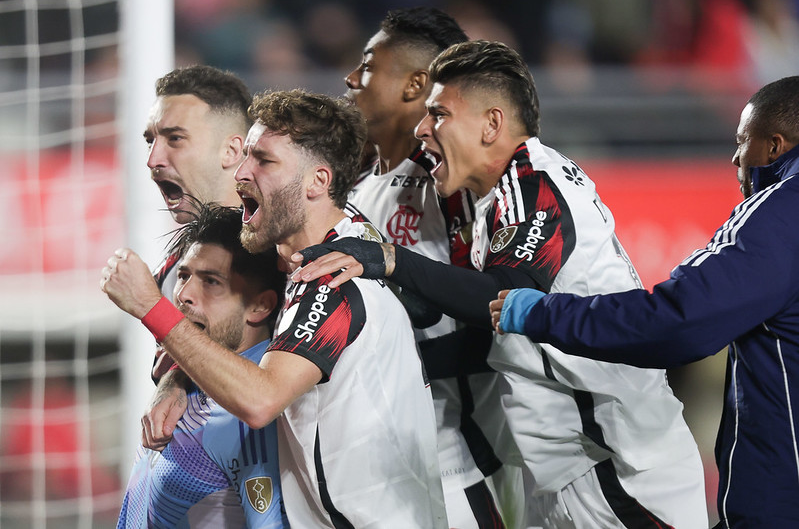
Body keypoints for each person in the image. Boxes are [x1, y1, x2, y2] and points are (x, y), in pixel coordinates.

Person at [294, 40, 708, 528]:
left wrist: (390, 259)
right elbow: (496, 335)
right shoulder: (499, 198)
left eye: (439, 114)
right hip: (567, 470)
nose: (422, 129)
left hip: (619, 467)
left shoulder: (535, 187)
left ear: (492, 124)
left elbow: (503, 296)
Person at [102, 89, 447, 528]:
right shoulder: (325, 256)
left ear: (317, 182)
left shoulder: (332, 277)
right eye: (246, 155)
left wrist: (152, 308)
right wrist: (177, 377)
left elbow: (260, 399)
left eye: (263, 160)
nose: (242, 172)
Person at [489, 75, 799, 528]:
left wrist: (543, 312)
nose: (735, 158)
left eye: (742, 142)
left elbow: (678, 320)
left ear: (774, 147)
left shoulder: (780, 212)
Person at [344, 7, 517, 528]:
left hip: (456, 463)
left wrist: (389, 364)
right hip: (375, 458)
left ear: (414, 84)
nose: (350, 78)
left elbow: (499, 319)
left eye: (367, 66)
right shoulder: (354, 185)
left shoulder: (455, 186)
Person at [117, 203, 288, 528]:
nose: (184, 294)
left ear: (260, 305)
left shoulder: (250, 416)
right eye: (183, 276)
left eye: (211, 282)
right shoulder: (190, 380)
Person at [144, 64, 252, 378]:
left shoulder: (290, 254)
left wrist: (149, 306)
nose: (152, 160)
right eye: (150, 141)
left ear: (231, 150)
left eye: (175, 139)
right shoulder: (172, 270)